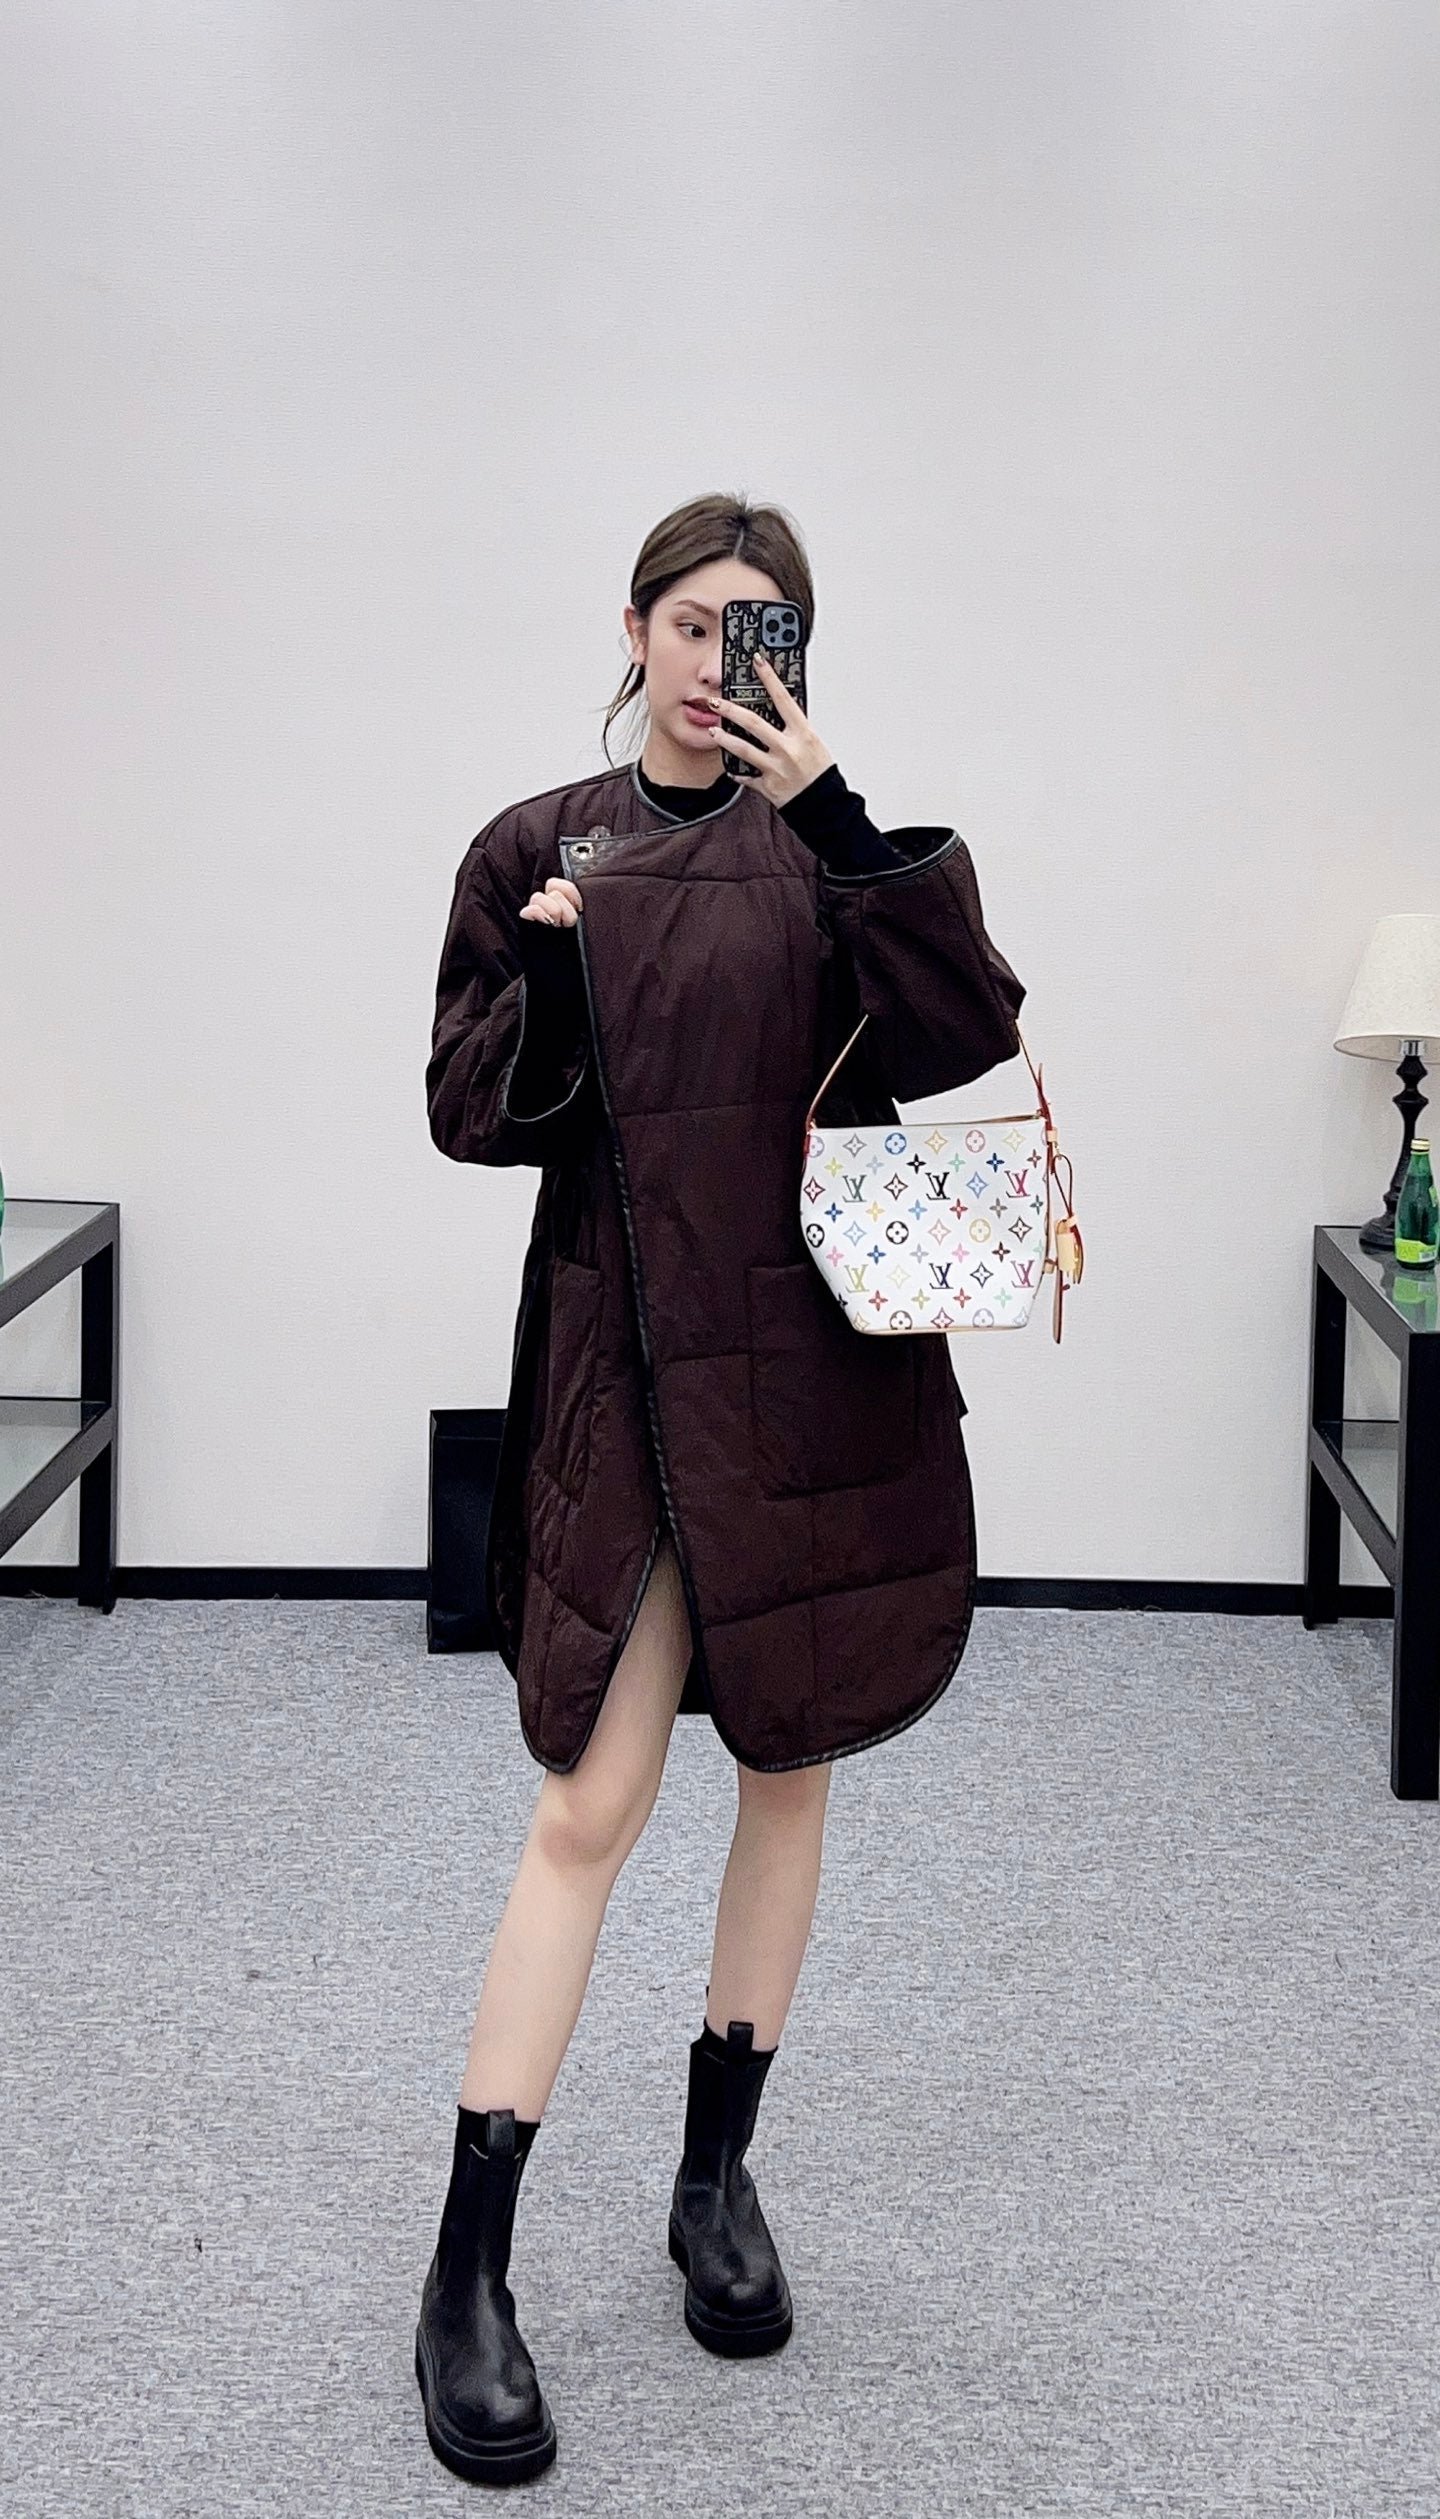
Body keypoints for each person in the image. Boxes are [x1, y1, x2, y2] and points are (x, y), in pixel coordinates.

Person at [418, 493, 1027, 2484]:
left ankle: (714, 2181)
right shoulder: (539, 845)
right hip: (631, 1379)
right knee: (590, 1806)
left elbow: (964, 1032)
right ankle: (466, 2275)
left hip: (814, 1377)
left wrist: (838, 819)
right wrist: (555, 972)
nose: (719, 661)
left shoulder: (827, 852)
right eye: (692, 623)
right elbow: (465, 1107)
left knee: (790, 1767)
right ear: (634, 628)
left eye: (760, 630)